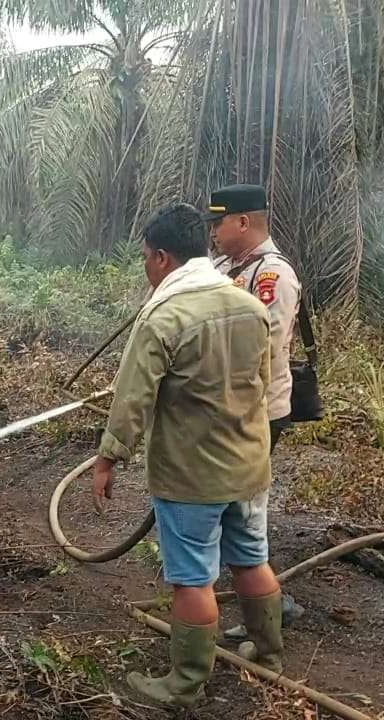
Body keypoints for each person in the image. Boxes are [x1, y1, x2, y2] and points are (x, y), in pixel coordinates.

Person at [90, 203, 285, 707]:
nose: (145, 267)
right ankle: (268, 654)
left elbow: (132, 398)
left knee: (192, 579)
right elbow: (260, 384)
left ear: (160, 257)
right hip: (248, 466)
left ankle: (184, 682)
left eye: (144, 258)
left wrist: (108, 459)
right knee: (251, 560)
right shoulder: (248, 306)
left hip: (192, 476)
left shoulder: (163, 315)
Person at [206, 183, 305, 633]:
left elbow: (263, 347)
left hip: (257, 411)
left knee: (246, 506)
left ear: (243, 222)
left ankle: (268, 610)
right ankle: (255, 589)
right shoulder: (227, 266)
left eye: (218, 222)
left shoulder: (272, 275)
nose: (212, 232)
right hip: (228, 406)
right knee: (233, 501)